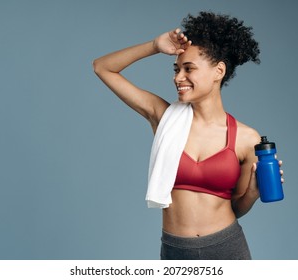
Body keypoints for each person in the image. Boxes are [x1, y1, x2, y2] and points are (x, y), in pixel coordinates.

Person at [93, 11, 283, 260]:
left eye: (188, 68)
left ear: (219, 71)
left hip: (227, 247)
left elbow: (236, 208)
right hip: (175, 250)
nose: (178, 77)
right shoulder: (163, 117)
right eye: (176, 69)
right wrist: (153, 46)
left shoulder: (247, 139)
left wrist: (252, 194)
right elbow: (103, 67)